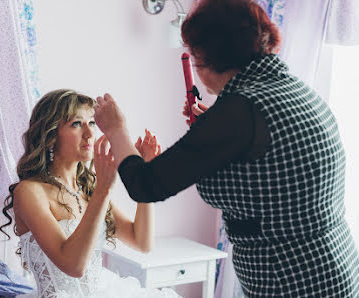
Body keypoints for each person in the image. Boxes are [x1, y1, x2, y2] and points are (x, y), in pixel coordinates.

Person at [93, 0, 359, 297]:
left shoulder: (240, 110)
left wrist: (117, 129)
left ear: (210, 56)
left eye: (195, 57)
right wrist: (215, 126)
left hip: (293, 278)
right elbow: (271, 163)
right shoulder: (291, 89)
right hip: (334, 264)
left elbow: (146, 185)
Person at [0, 89, 181, 298]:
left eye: (92, 123)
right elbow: (73, 266)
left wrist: (147, 178)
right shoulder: (30, 192)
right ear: (50, 136)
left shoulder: (88, 189)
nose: (89, 133)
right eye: (76, 124)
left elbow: (141, 242)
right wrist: (103, 191)